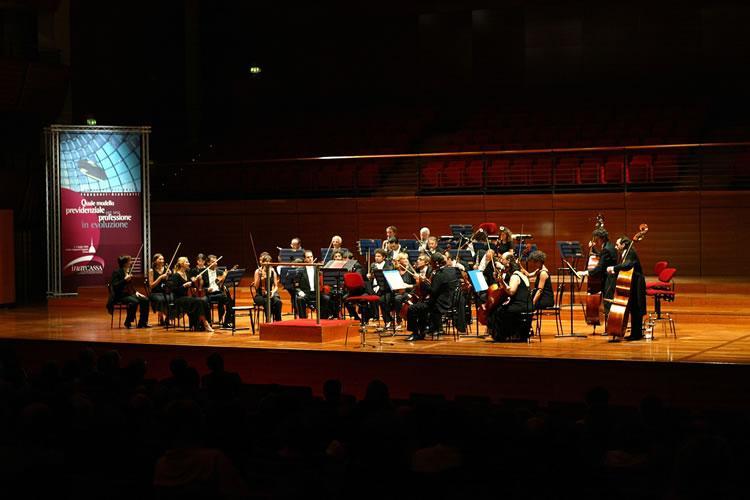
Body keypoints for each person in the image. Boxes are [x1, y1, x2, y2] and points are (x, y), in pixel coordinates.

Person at [405, 253, 456, 341]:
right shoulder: (451, 270)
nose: (430, 265)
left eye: (431, 262)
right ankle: (422, 331)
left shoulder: (439, 274)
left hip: (439, 304)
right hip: (449, 300)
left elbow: (432, 291)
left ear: (436, 263)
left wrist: (423, 281)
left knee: (412, 308)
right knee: (421, 307)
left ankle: (415, 333)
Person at [607, 236, 647, 341]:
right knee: (633, 307)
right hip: (632, 282)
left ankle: (637, 334)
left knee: (636, 308)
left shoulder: (630, 253)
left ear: (623, 245)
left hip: (637, 282)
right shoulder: (626, 253)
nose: (615, 247)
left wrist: (614, 268)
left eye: (617, 244)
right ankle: (635, 333)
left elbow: (628, 265)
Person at [488, 253, 532, 341]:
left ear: (508, 262)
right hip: (526, 304)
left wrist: (501, 281)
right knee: (501, 309)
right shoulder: (520, 274)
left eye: (502, 259)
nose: (500, 261)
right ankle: (513, 333)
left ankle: (503, 336)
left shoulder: (515, 276)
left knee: (499, 311)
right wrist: (500, 281)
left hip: (521, 305)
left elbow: (511, 291)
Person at [169, 257, 213, 332]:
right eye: (187, 262)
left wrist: (197, 280)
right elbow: (174, 290)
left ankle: (202, 324)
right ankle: (205, 324)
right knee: (198, 301)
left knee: (204, 301)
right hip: (179, 298)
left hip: (188, 297)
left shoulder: (187, 274)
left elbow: (193, 286)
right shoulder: (175, 275)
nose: (189, 264)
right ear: (182, 264)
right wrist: (184, 286)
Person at [109, 254, 150, 329]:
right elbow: (115, 286)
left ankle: (143, 322)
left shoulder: (128, 272)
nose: (131, 263)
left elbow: (130, 287)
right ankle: (128, 322)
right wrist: (124, 280)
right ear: (125, 263)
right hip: (120, 296)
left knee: (145, 300)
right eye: (129, 261)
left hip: (129, 294)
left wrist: (136, 292)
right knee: (134, 301)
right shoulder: (117, 272)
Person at [584, 227, 618, 317]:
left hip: (609, 279)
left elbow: (600, 267)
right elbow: (601, 256)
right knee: (608, 302)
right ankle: (609, 327)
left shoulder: (606, 249)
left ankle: (609, 328)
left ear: (601, 238)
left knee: (608, 303)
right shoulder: (609, 246)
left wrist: (587, 273)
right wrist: (593, 248)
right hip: (611, 278)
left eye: (597, 238)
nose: (596, 241)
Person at [295, 250, 332, 319]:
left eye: (311, 257)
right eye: (308, 257)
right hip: (306, 294)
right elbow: (296, 286)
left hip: (317, 293)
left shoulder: (318, 269)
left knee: (326, 298)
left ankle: (323, 319)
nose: (310, 259)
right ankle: (303, 320)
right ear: (304, 259)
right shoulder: (300, 270)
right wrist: (300, 292)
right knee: (300, 299)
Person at [204, 254, 233, 327]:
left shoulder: (220, 272)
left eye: (216, 261)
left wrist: (225, 278)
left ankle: (227, 322)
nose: (215, 263)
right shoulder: (204, 272)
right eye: (213, 262)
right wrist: (207, 289)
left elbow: (225, 283)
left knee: (230, 301)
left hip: (219, 293)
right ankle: (208, 322)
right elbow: (200, 287)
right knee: (204, 301)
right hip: (208, 294)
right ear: (208, 263)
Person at [254, 252, 282, 321]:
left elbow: (276, 286)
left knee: (278, 302)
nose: (268, 264)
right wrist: (259, 277)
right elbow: (256, 287)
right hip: (260, 295)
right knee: (267, 301)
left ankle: (278, 321)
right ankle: (268, 321)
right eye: (266, 262)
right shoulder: (258, 271)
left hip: (270, 294)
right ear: (262, 263)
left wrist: (272, 292)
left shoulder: (272, 271)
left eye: (269, 262)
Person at [148, 253, 171, 326]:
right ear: (155, 261)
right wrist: (160, 277)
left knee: (171, 298)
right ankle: (161, 318)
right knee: (161, 300)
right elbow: (151, 286)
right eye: (160, 259)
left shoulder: (166, 269)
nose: (162, 260)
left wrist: (169, 275)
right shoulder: (151, 271)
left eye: (163, 259)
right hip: (155, 292)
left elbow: (168, 282)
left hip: (165, 291)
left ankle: (168, 318)